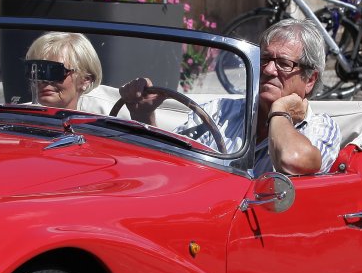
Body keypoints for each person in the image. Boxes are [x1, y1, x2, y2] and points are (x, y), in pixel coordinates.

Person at [122, 18, 341, 176]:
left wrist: (279, 112)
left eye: (284, 63)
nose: (268, 70)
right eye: (264, 59)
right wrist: (144, 116)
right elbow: (172, 164)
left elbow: (292, 160)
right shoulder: (219, 111)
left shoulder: (321, 127)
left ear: (310, 80)